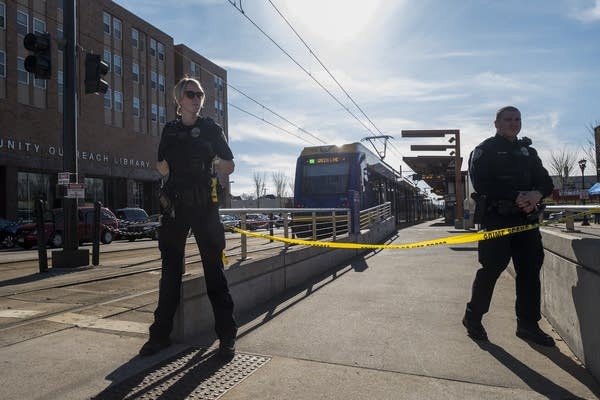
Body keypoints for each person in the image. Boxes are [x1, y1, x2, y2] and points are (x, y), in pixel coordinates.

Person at [139, 77, 237, 358]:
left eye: (200, 94)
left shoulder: (211, 129)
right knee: (169, 273)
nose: (197, 98)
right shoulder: (169, 131)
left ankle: (227, 336)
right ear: (179, 100)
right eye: (191, 94)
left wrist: (219, 163)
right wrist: (160, 168)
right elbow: (161, 167)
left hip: (205, 207)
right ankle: (159, 336)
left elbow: (230, 165)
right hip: (174, 209)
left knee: (214, 272)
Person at [463, 106, 555, 346]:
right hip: (498, 221)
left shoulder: (529, 152)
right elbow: (482, 183)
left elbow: (546, 181)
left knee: (529, 273)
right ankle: (473, 317)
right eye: (508, 119)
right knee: (491, 270)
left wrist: (535, 194)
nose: (514, 123)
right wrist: (515, 195)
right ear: (496, 123)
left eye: (517, 119)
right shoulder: (485, 150)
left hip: (526, 221)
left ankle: (528, 325)